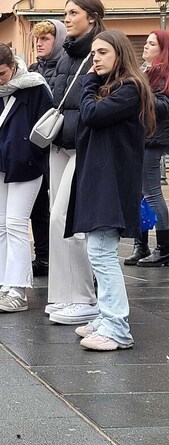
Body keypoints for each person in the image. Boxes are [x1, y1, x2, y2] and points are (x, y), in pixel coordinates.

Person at [70, 30, 155, 350]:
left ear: (120, 54)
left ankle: (117, 327)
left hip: (112, 183)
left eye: (103, 53)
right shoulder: (115, 88)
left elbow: (90, 115)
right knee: (98, 252)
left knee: (102, 253)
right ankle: (107, 318)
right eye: (94, 53)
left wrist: (88, 83)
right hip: (101, 179)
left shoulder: (130, 89)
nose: (96, 59)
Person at [0, 43, 53, 313]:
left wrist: (30, 148)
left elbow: (48, 121)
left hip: (27, 163)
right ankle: (5, 283)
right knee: (2, 224)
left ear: (13, 65)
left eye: (2, 74)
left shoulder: (34, 85)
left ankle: (18, 289)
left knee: (16, 223)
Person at [44, 0, 104, 326]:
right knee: (58, 222)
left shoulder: (100, 50)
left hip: (82, 145)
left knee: (64, 219)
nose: (66, 19)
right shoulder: (67, 54)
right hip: (59, 144)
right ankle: (62, 295)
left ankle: (84, 297)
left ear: (92, 17)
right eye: (65, 13)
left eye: (73, 13)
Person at [27, 20, 68, 277]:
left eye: (46, 38)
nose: (40, 43)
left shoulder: (66, 67)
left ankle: (61, 256)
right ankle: (43, 255)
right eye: (37, 39)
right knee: (38, 205)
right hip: (38, 144)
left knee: (61, 205)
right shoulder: (33, 70)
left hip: (61, 145)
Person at [125, 30, 169, 267]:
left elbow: (163, 106)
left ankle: (163, 248)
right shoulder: (145, 71)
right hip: (139, 138)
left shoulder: (162, 75)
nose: (145, 46)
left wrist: (139, 89)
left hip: (152, 139)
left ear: (163, 50)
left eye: (152, 44)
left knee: (151, 192)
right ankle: (140, 245)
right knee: (138, 193)